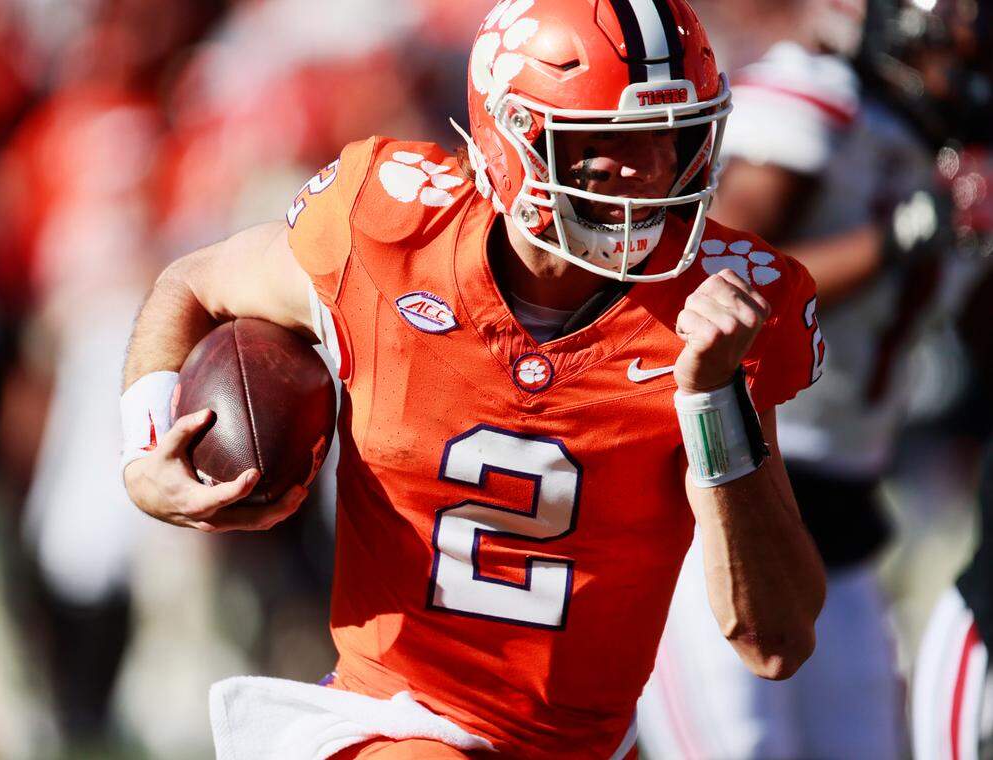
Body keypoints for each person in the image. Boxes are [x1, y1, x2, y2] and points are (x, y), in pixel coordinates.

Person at [120, 0, 827, 757]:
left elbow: (774, 642)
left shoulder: (720, 313)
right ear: (511, 138)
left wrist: (715, 399)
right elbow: (193, 283)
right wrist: (144, 449)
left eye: (668, 137)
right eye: (604, 141)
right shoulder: (390, 229)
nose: (646, 171)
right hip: (394, 722)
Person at [638, 0, 977, 756]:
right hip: (724, 494)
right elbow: (711, 281)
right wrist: (898, 237)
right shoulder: (821, 105)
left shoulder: (950, 145)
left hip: (842, 508)